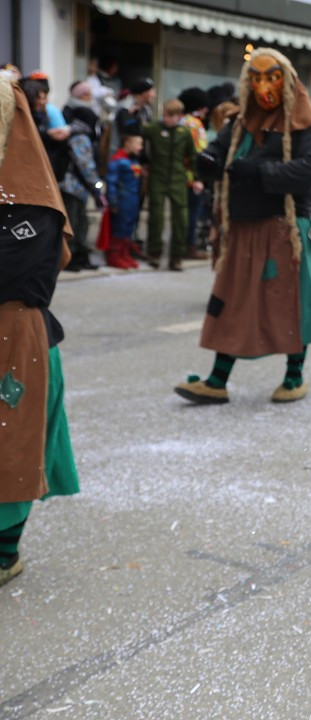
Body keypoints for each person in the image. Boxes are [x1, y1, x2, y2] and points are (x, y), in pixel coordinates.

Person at [174, 47, 311, 405]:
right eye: (256, 77)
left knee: (289, 304)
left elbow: (309, 170)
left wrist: (259, 172)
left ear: (287, 82)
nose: (263, 85)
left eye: (271, 77)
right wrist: (208, 160)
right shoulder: (240, 123)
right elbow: (217, 154)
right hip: (243, 227)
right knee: (231, 302)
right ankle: (217, 380)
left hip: (285, 230)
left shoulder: (306, 124)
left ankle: (294, 376)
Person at [0, 78, 80, 588]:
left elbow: (22, 270)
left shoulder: (31, 200)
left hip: (12, 335)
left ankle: (6, 551)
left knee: (12, 443)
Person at [143, 98, 200, 271]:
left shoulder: (185, 132)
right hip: (157, 177)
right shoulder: (154, 129)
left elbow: (192, 157)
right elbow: (136, 136)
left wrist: (197, 179)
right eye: (165, 115)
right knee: (156, 216)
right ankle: (154, 252)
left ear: (179, 116)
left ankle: (177, 256)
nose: (167, 119)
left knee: (180, 218)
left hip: (177, 179)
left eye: (171, 116)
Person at [59, 82, 106, 271]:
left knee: (80, 222)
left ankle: (80, 257)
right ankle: (72, 259)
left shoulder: (75, 131)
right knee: (75, 224)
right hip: (72, 186)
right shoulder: (80, 136)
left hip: (75, 186)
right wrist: (96, 186)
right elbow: (85, 164)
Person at [103, 131, 145, 269]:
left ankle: (124, 253)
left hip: (132, 200)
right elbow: (111, 182)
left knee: (128, 228)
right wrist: (113, 201)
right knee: (119, 228)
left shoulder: (131, 160)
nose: (140, 147)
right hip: (122, 200)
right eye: (138, 143)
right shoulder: (117, 161)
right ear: (127, 143)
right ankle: (114, 256)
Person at [178, 87, 211, 260]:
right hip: (192, 178)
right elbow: (198, 153)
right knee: (192, 213)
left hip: (180, 176)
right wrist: (200, 177)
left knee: (183, 214)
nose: (207, 110)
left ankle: (182, 245)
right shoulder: (194, 125)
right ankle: (189, 246)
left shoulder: (181, 121)